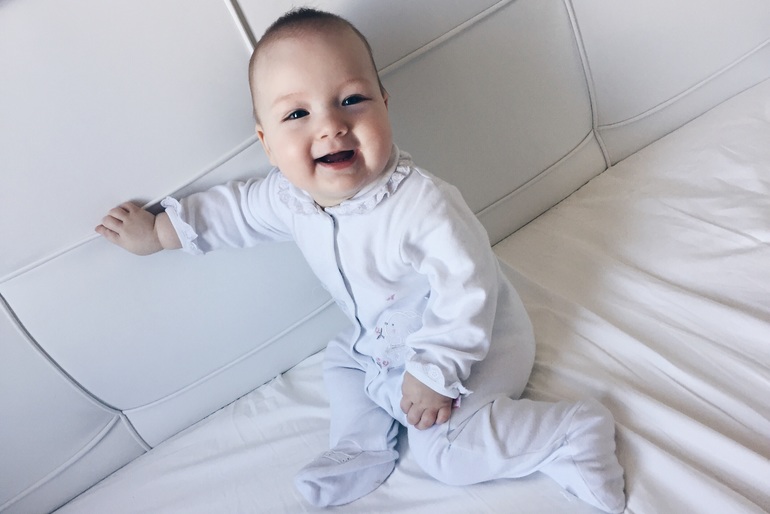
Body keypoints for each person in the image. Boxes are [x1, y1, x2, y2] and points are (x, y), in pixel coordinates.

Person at [96, 7, 625, 513]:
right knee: (344, 361)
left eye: (351, 100)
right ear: (268, 144)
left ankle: (569, 434)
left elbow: (470, 289)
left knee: (446, 453)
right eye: (297, 114)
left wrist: (436, 372)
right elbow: (233, 212)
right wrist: (160, 232)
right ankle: (361, 444)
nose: (330, 125)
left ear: (384, 105)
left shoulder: (422, 205)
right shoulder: (288, 198)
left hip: (472, 345)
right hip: (382, 338)